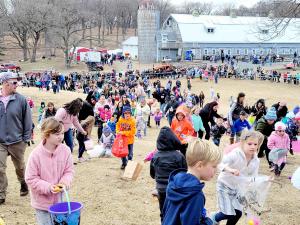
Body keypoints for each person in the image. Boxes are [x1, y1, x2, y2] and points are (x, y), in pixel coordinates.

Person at [25, 118, 74, 225]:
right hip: (42, 204)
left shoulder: (65, 150)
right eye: (57, 134)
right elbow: (30, 178)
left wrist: (64, 183)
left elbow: (69, 171)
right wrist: (48, 187)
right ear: (47, 134)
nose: (61, 136)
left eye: (62, 133)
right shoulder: (35, 155)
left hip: (60, 202)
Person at [162, 139, 222, 225]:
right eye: (214, 166)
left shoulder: (174, 182)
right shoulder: (196, 194)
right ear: (200, 165)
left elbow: (166, 212)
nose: (216, 170)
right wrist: (209, 221)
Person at [211, 130, 261, 225]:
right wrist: (230, 170)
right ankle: (213, 217)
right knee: (227, 213)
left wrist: (263, 180)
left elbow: (254, 176)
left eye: (255, 144)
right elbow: (219, 163)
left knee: (238, 213)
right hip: (224, 185)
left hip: (237, 188)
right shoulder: (235, 154)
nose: (253, 146)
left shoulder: (256, 161)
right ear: (242, 143)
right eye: (249, 144)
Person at [0, 72, 32, 204]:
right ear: (5, 83)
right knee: (0, 168)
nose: (17, 85)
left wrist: (25, 140)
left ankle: (23, 182)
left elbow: (28, 121)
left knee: (19, 167)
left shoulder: (21, 100)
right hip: (0, 142)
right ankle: (1, 194)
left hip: (17, 141)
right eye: (14, 82)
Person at [150, 127, 187, 221]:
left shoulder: (156, 156)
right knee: (176, 211)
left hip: (161, 189)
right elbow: (185, 172)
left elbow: (152, 174)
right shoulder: (179, 156)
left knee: (163, 211)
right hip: (176, 188)